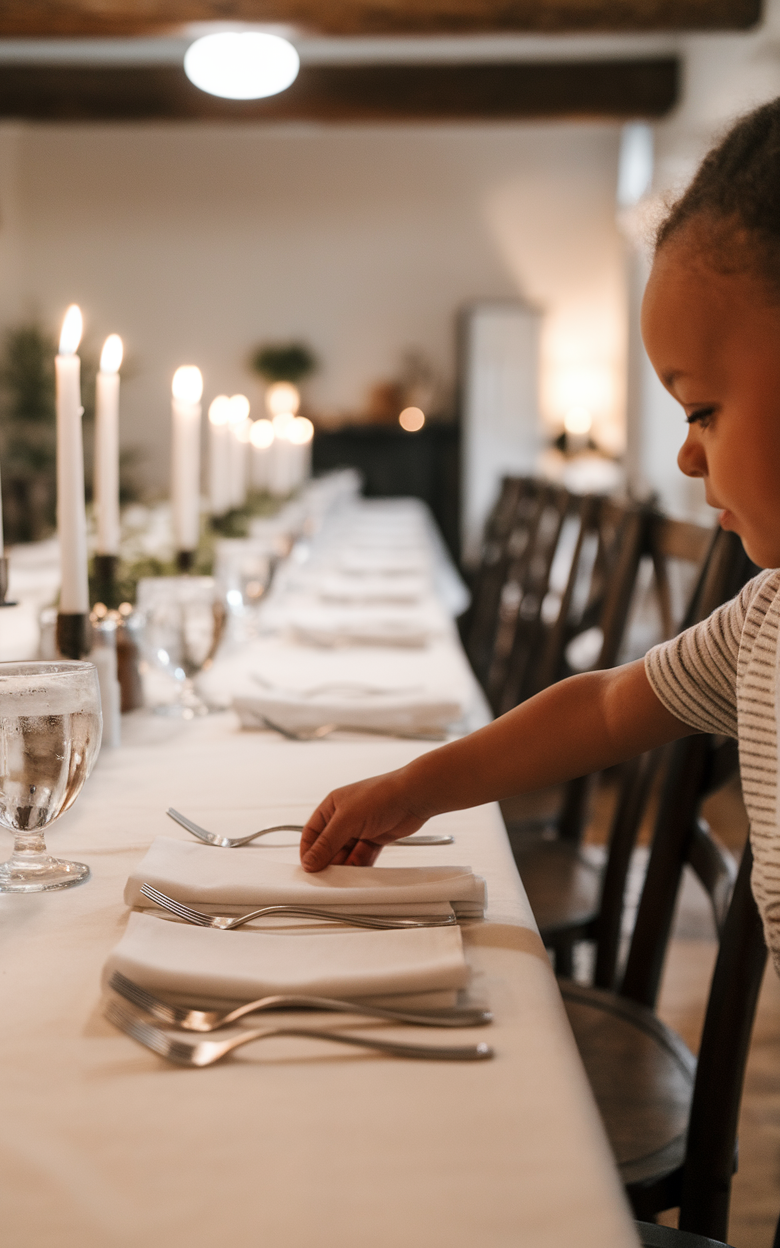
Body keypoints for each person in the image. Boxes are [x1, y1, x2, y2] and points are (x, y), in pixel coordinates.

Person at [299, 96, 780, 971]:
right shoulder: (764, 624)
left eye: (703, 410)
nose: (685, 456)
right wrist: (413, 790)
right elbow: (602, 708)